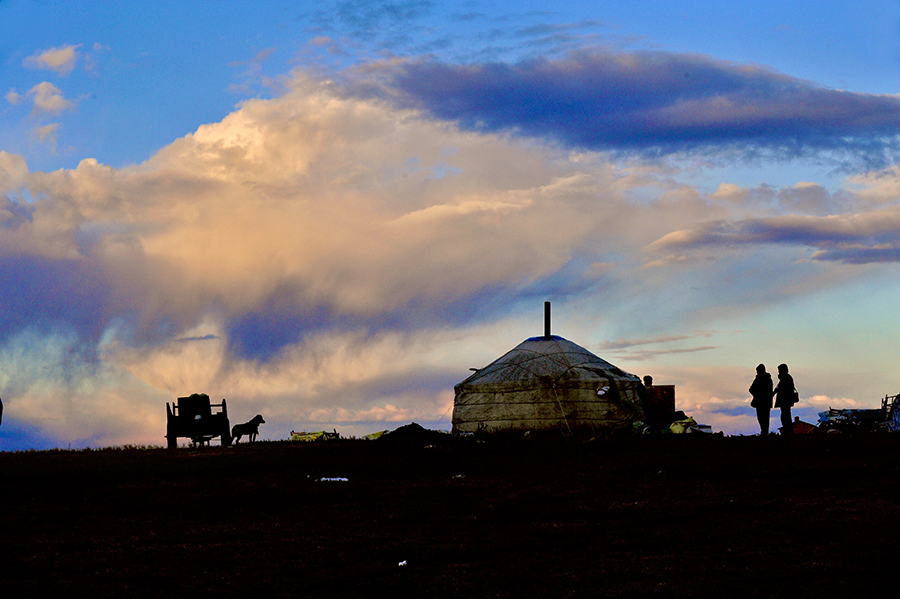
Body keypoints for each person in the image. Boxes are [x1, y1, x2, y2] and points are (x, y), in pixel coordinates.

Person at [749, 364, 774, 435]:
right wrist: (756, 394)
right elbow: (751, 389)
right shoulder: (760, 379)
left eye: (758, 371)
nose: (757, 372)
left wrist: (757, 394)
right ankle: (764, 432)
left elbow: (768, 391)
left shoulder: (765, 379)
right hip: (761, 402)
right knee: (762, 418)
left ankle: (764, 432)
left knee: (764, 418)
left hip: (764, 402)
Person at [774, 364, 797, 435]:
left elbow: (782, 389)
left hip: (785, 400)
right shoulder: (786, 378)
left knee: (785, 416)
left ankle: (788, 431)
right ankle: (788, 430)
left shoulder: (786, 378)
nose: (778, 372)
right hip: (786, 400)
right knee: (785, 415)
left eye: (779, 370)